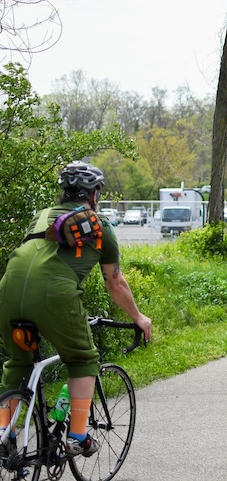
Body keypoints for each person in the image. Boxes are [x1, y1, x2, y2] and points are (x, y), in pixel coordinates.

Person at [0, 161, 152, 457]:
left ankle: (5, 431)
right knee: (83, 358)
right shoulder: (100, 226)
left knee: (19, 362)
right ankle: (77, 437)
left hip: (7, 292)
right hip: (56, 297)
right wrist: (139, 317)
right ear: (93, 194)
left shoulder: (41, 217)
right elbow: (115, 283)